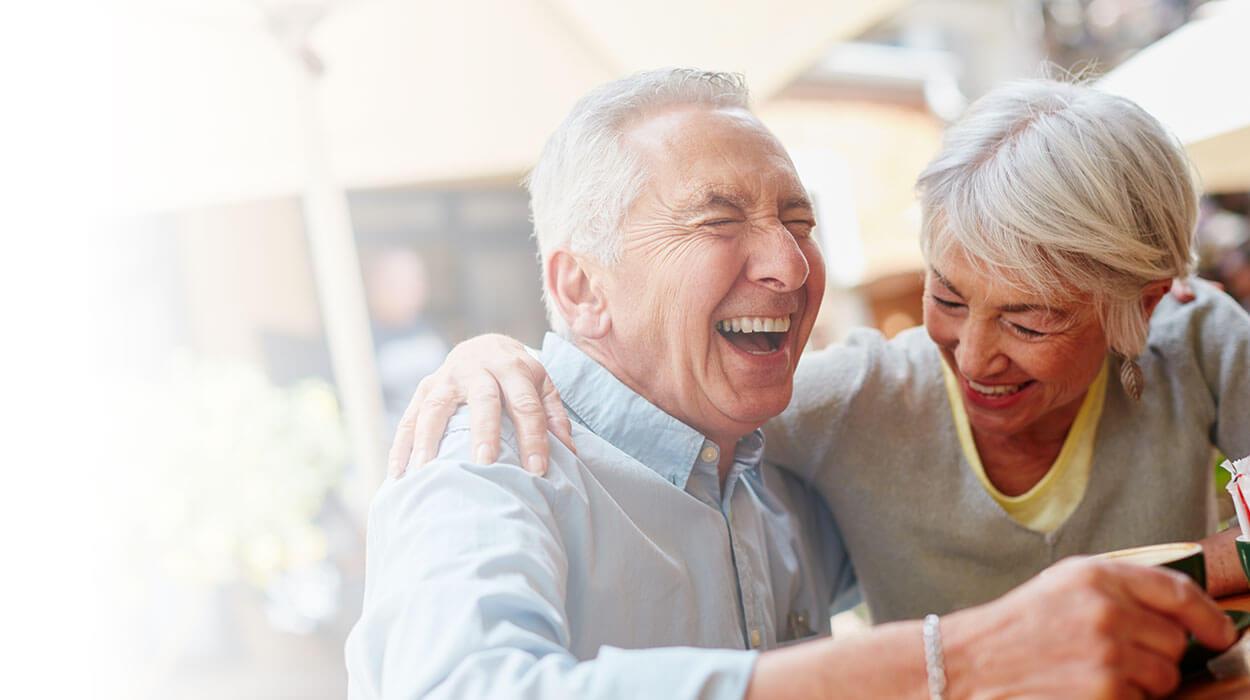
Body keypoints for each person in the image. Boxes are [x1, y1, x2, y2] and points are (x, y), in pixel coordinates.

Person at [350, 69, 1235, 699]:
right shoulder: (491, 453)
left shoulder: (775, 481)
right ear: (582, 285)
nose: (788, 262)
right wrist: (949, 664)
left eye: (799, 219)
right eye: (720, 218)